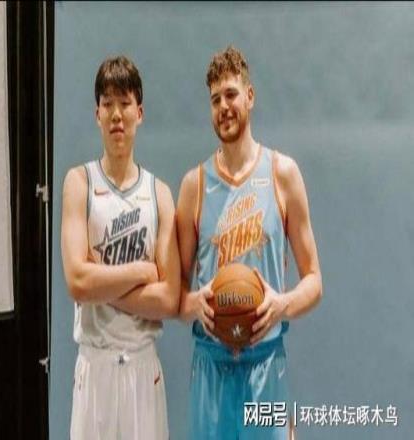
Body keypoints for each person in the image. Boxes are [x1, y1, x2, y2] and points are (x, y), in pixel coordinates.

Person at [177, 45, 323, 439]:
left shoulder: (282, 174)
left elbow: (314, 281)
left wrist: (282, 304)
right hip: (211, 366)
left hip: (265, 364)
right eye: (215, 100)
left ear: (250, 96)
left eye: (231, 94)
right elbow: (174, 293)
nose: (224, 107)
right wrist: (195, 304)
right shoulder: (194, 185)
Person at [61, 55, 180, 440]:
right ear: (96, 114)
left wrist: (102, 282)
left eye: (124, 103)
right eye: (107, 103)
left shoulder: (159, 194)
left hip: (143, 370)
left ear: (139, 113)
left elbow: (169, 299)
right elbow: (78, 282)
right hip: (94, 367)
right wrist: (142, 272)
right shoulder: (79, 183)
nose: (116, 114)